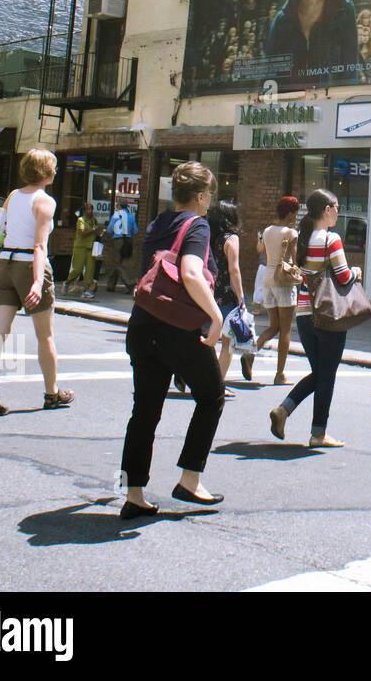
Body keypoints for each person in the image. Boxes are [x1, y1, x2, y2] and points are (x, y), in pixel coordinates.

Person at [119, 162, 225, 518]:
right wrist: (216, 315)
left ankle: (134, 493)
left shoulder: (158, 223)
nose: (210, 201)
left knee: (145, 410)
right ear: (199, 196)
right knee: (211, 396)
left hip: (142, 324)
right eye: (209, 194)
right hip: (175, 329)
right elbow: (191, 273)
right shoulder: (197, 225)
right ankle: (190, 479)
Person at [0, 150, 73, 418]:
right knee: (45, 335)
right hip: (28, 265)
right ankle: (52, 393)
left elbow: (4, 229)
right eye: (53, 167)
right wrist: (36, 281)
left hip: (4, 264)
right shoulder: (45, 201)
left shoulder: (13, 196)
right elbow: (39, 246)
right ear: (44, 171)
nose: (56, 171)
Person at [269, 189, 359, 447]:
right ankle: (318, 433)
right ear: (327, 210)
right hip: (328, 315)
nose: (338, 212)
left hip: (304, 314)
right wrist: (355, 271)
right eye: (337, 207)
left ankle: (284, 410)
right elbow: (342, 276)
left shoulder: (304, 237)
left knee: (320, 372)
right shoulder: (331, 238)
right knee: (326, 375)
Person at [251, 196, 301, 385]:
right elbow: (294, 259)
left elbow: (263, 250)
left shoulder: (268, 230)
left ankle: (251, 352)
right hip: (284, 282)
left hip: (268, 280)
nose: (295, 218)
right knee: (285, 330)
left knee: (273, 326)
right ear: (289, 213)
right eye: (295, 214)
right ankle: (280, 374)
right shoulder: (291, 232)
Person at [208, 200, 246, 388]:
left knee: (208, 339)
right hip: (227, 295)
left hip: (207, 292)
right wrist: (241, 297)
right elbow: (234, 270)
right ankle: (218, 384)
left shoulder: (209, 237)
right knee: (227, 343)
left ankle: (190, 376)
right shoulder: (231, 239)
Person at [63, 202, 100, 296]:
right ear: (84, 211)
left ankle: (87, 290)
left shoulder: (94, 220)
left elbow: (97, 233)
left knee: (90, 270)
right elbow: (82, 233)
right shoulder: (81, 220)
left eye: (91, 209)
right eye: (88, 209)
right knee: (78, 269)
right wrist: (93, 230)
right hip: (80, 247)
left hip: (91, 248)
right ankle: (67, 283)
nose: (90, 211)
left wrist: (99, 232)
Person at [104, 201, 138, 293]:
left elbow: (110, 229)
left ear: (119, 206)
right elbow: (135, 231)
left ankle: (129, 283)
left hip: (118, 241)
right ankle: (111, 285)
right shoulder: (131, 217)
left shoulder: (115, 215)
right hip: (128, 241)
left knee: (117, 264)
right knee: (117, 263)